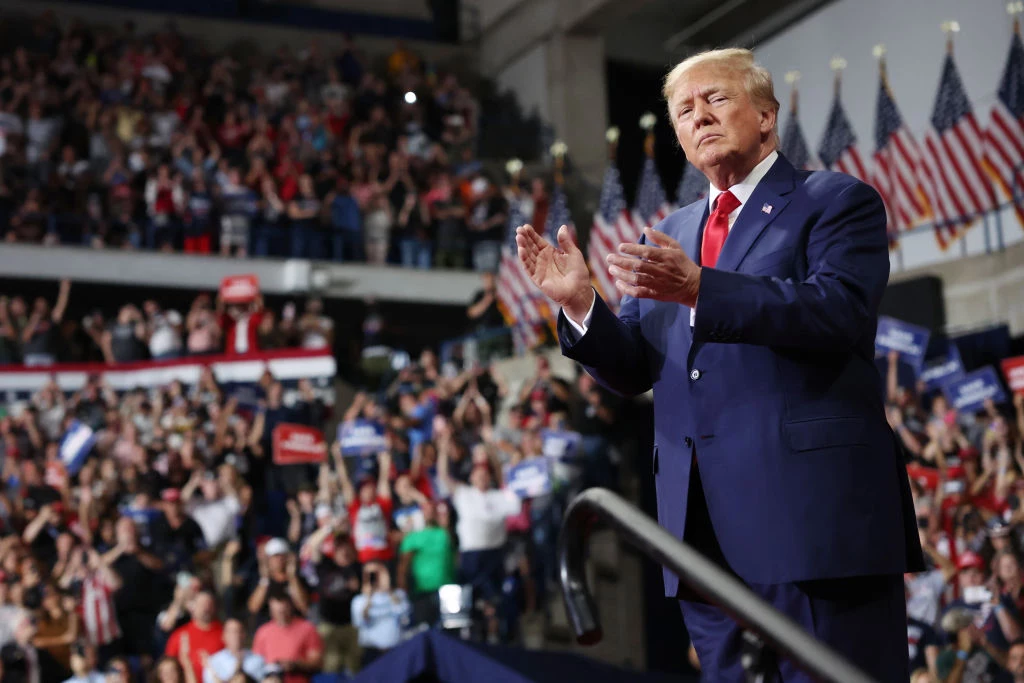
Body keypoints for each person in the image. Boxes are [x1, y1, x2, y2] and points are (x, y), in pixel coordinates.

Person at [515, 47, 923, 682]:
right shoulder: (667, 234)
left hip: (812, 526)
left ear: (765, 114)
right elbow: (633, 368)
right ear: (677, 136)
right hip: (702, 542)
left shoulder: (834, 200)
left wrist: (703, 289)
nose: (699, 115)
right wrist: (580, 304)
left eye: (716, 99)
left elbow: (838, 312)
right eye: (684, 109)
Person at [251, 589, 323, 683]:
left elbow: (317, 663)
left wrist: (296, 664)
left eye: (284, 608)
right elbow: (255, 664)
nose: (281, 612)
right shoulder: (263, 631)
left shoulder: (307, 628)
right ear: (270, 607)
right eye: (277, 610)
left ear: (291, 606)